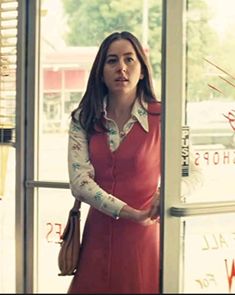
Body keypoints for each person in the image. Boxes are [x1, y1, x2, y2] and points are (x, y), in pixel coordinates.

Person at [66, 31, 203, 294]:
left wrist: (168, 193)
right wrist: (131, 213)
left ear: (141, 70)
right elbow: (79, 182)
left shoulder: (167, 116)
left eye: (130, 60)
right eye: (112, 61)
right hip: (96, 238)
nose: (121, 68)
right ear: (101, 72)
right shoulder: (83, 118)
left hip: (144, 241)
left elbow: (192, 172)